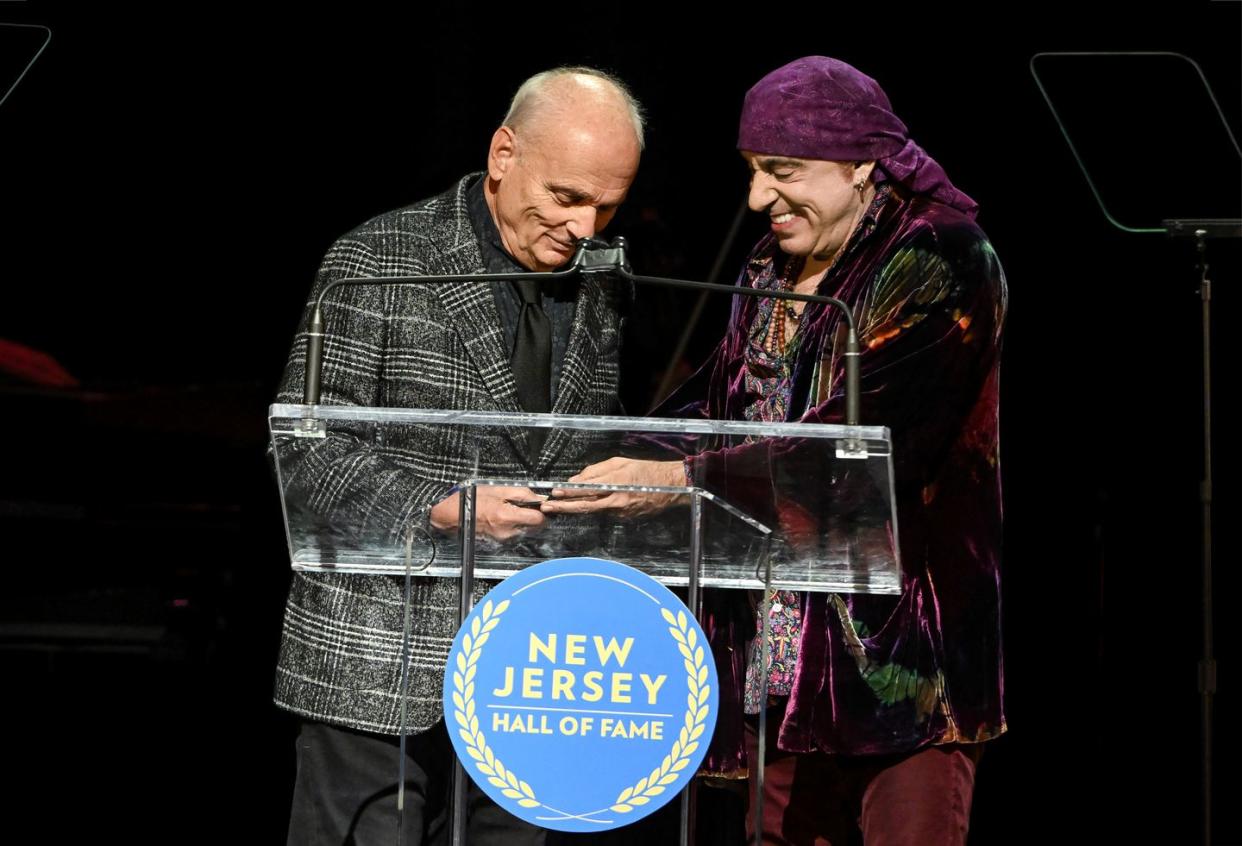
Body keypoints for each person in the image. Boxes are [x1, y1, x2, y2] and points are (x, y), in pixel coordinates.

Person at [543, 56, 1006, 845]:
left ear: (863, 161)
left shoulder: (944, 258)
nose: (759, 198)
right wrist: (583, 470)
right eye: (753, 171)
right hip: (779, 658)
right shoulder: (773, 262)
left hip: (899, 665)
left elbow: (863, 452)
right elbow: (715, 404)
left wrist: (675, 478)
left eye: (782, 171)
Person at [273, 66, 644, 845]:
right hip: (379, 654)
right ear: (504, 154)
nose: (585, 227)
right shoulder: (379, 258)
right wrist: (438, 506)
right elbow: (308, 449)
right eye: (568, 197)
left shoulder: (603, 284)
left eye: (607, 206)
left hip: (532, 671)